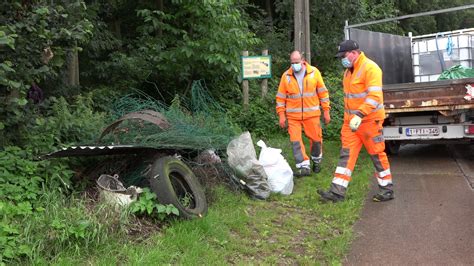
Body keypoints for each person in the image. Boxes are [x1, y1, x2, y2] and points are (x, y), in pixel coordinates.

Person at [318, 40, 394, 203]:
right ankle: (337, 192)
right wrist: (353, 118)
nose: (342, 60)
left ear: (354, 53)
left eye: (344, 56)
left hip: (369, 122)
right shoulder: (348, 71)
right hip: (351, 124)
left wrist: (359, 114)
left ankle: (387, 189)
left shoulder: (370, 68)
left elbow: (374, 97)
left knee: (376, 155)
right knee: (346, 156)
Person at [276, 51, 331, 177]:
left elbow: (323, 93)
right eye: (292, 63)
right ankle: (303, 166)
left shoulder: (314, 72)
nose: (294, 65)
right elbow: (280, 98)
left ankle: (316, 161)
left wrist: (326, 111)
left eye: (297, 62)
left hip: (312, 115)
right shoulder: (286, 76)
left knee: (316, 140)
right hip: (293, 117)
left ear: (303, 60)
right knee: (296, 141)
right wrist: (281, 115)